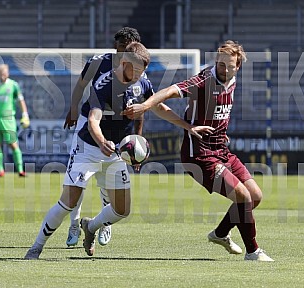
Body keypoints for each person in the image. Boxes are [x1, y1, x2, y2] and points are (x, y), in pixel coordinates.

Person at [24, 42, 210, 259]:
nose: (141, 75)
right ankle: (36, 247)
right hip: (89, 148)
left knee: (122, 210)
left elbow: (159, 107)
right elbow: (93, 119)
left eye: (144, 71)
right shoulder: (105, 85)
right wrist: (102, 141)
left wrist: (188, 126)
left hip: (116, 152)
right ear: (124, 64)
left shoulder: (142, 83)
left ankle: (90, 227)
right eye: (138, 70)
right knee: (68, 202)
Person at [122, 40, 274, 261]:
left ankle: (220, 234)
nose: (222, 68)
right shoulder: (204, 81)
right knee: (242, 196)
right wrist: (144, 106)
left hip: (222, 149)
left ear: (237, 66)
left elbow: (220, 111)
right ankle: (253, 252)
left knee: (256, 196)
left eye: (228, 65)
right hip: (199, 156)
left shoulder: (232, 80)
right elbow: (167, 91)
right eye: (219, 63)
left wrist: (222, 130)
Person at [63, 27, 145, 248]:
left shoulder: (139, 71)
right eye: (118, 48)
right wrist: (72, 108)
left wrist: (138, 137)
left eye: (125, 49)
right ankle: (74, 224)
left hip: (118, 128)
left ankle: (104, 222)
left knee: (109, 176)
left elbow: (142, 107)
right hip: (90, 121)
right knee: (77, 177)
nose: (120, 54)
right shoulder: (99, 62)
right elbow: (81, 85)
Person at [0, 64, 30, 177]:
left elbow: (21, 101)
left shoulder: (13, 85)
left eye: (4, 73)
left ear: (8, 73)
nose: (2, 76)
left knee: (13, 144)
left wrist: (25, 114)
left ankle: (20, 170)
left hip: (8, 119)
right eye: (0, 74)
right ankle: (0, 169)